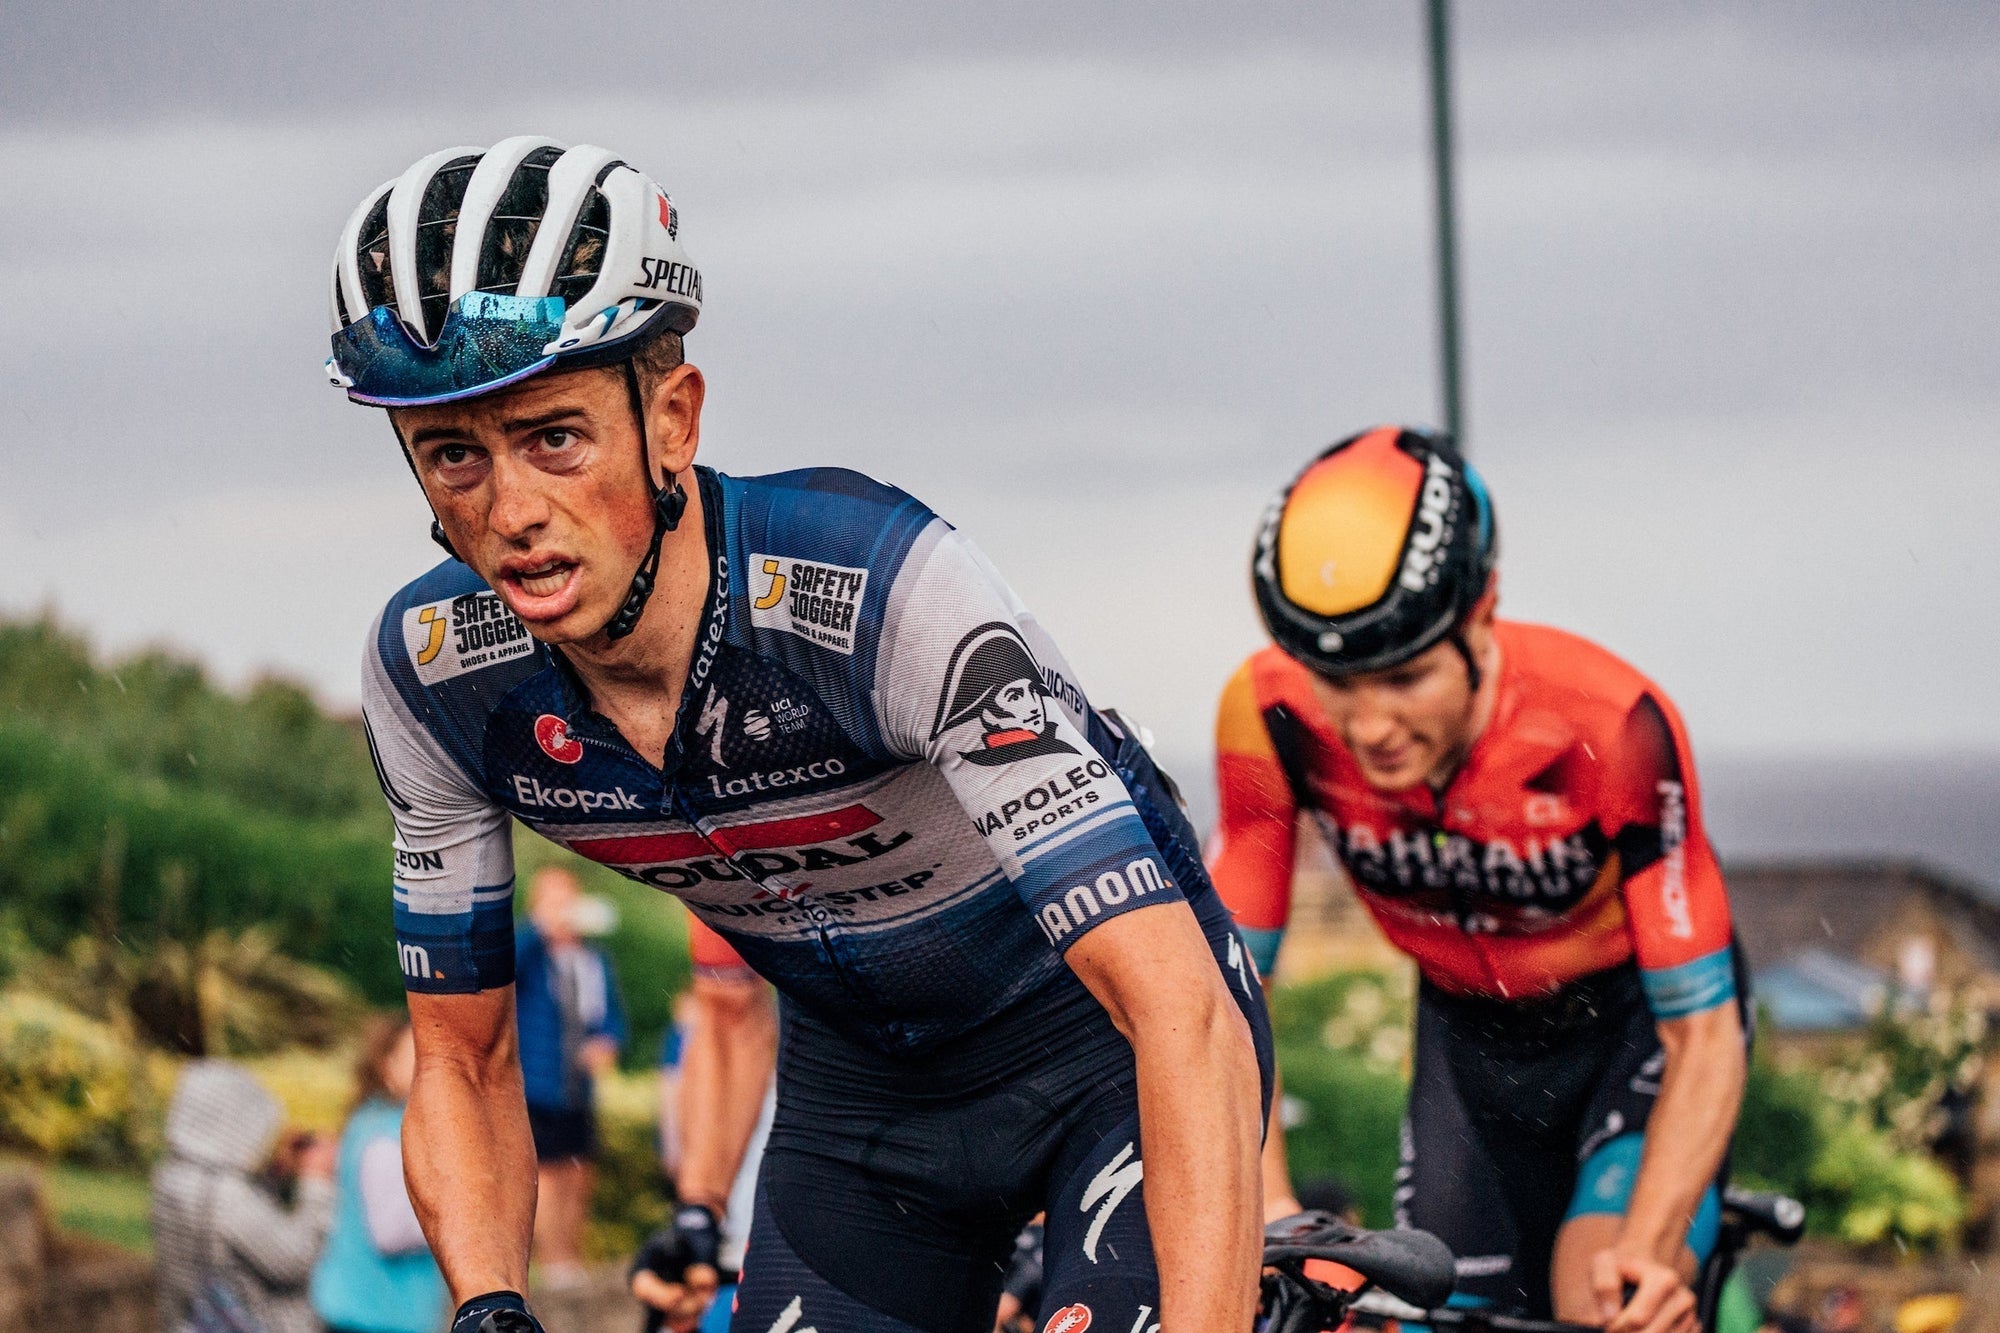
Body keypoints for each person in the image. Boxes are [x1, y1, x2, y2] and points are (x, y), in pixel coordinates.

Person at [337, 138, 1272, 1333]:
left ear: (671, 419)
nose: (510, 513)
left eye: (554, 439)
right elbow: (460, 1063)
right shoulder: (435, 679)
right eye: (453, 456)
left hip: (1106, 1050)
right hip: (862, 1111)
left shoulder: (879, 588)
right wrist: (488, 1307)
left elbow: (1175, 1013)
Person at [1210, 426, 1746, 1333]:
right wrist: (1268, 1216)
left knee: (1601, 1300)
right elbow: (1225, 991)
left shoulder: (1613, 726)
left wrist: (1650, 1256)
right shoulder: (1268, 714)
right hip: (1468, 1035)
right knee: (1429, 1310)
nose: (1370, 723)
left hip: (1627, 1033)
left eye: (1407, 675)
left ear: (1482, 613)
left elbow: (1704, 1030)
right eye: (1336, 679)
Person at [152, 1060, 337, 1333]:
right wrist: (316, 1182)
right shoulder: (226, 1195)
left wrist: (273, 1175)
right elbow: (294, 1260)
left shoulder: (173, 1176)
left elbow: (232, 1244)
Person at [513, 865, 627, 1284]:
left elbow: (611, 1017)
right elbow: (505, 960)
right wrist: (539, 926)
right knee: (545, 1172)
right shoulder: (529, 954)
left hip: (580, 1087)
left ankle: (570, 1256)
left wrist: (607, 1042)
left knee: (579, 1170)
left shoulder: (595, 960)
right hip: (537, 1084)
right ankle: (552, 1262)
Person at [310, 1018, 449, 1333]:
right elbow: (389, 1232)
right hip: (375, 1315)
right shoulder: (387, 1137)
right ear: (387, 1066)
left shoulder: (370, 1121)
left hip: (361, 1308)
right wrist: (456, 1217)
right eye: (416, 1057)